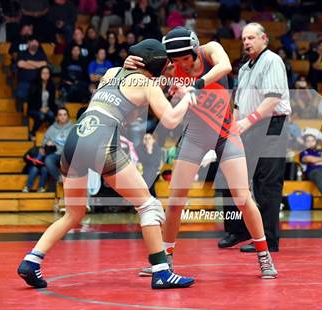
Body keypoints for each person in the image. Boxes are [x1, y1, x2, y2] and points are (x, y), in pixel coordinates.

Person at [17, 39, 196, 290]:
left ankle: (31, 261)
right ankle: (161, 272)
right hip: (101, 139)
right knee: (148, 205)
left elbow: (125, 94)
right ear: (154, 66)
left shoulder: (111, 72)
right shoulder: (146, 84)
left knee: (74, 213)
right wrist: (188, 96)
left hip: (76, 137)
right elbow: (171, 119)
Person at [125, 26, 278, 278]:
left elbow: (225, 66)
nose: (182, 64)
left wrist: (194, 86)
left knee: (242, 197)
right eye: (176, 60)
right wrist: (129, 63)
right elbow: (144, 72)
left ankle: (264, 255)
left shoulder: (210, 51)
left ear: (195, 50)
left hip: (225, 134)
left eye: (186, 58)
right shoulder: (172, 66)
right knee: (175, 202)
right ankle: (166, 260)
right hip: (195, 136)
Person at [223, 22, 291, 253]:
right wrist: (231, 128)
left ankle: (268, 239)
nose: (247, 42)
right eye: (244, 39)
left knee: (266, 184)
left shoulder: (272, 60)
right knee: (232, 177)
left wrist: (246, 122)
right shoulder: (243, 69)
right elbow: (239, 105)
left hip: (272, 125)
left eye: (251, 38)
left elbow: (272, 100)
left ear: (264, 39)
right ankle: (238, 230)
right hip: (248, 126)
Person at [42, 107, 73, 189]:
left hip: (69, 154)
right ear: (57, 117)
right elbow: (44, 142)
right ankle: (60, 178)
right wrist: (47, 143)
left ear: (68, 116)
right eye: (60, 115)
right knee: (48, 160)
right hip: (56, 153)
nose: (62, 117)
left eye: (64, 115)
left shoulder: (73, 128)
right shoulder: (52, 128)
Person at [15, 37, 48, 111]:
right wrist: (37, 65)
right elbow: (20, 64)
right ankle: (21, 112)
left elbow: (44, 64)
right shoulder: (22, 53)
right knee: (20, 94)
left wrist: (29, 62)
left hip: (38, 82)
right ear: (28, 43)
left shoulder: (41, 54)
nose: (34, 44)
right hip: (24, 82)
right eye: (32, 41)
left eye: (36, 42)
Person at [27, 66, 57, 140]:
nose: (45, 75)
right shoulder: (34, 84)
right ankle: (32, 133)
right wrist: (40, 108)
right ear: (40, 74)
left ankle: (52, 135)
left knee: (52, 115)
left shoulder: (51, 85)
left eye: (47, 73)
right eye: (43, 73)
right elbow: (31, 100)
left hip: (47, 108)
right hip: (34, 108)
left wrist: (48, 108)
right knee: (41, 116)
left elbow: (52, 101)